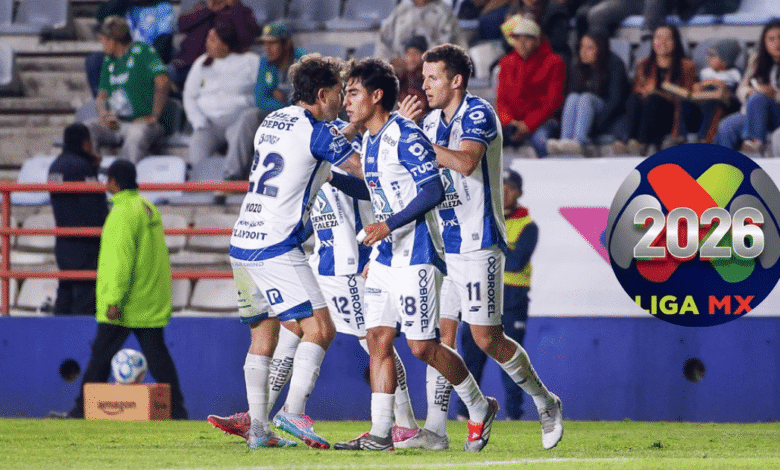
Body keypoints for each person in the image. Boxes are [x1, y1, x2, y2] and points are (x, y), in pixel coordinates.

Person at [398, 44, 563, 450]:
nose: (424, 85)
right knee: (434, 342)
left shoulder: (479, 113)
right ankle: (440, 427)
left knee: (487, 337)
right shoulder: (433, 122)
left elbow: (466, 162)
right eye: (423, 77)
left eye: (432, 77)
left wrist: (413, 142)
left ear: (456, 80)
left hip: (479, 241)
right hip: (443, 244)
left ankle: (546, 401)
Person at [329, 58, 496, 452]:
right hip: (386, 257)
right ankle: (380, 433)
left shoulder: (406, 135)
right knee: (378, 340)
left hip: (419, 254)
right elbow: (375, 193)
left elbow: (433, 191)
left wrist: (386, 225)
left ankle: (478, 405)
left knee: (422, 347)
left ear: (376, 95)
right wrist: (328, 177)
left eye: (353, 93)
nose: (347, 102)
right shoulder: (369, 140)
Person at [207, 172, 422, 447]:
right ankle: (257, 417)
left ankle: (405, 425)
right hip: (320, 263)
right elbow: (318, 216)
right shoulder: (316, 152)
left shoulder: (353, 155)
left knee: (377, 344)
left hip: (351, 266)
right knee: (292, 329)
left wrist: (330, 175)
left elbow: (374, 192)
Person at [227, 54, 362, 449]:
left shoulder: (273, 119)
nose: (342, 99)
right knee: (321, 329)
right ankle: (292, 411)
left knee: (263, 340)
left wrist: (348, 129)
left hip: (242, 240)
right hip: (276, 244)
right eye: (339, 92)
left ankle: (258, 430)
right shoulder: (316, 132)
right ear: (323, 94)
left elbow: (323, 141)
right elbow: (357, 167)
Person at [66, 159, 187, 420]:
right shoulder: (147, 208)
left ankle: (80, 409)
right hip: (149, 297)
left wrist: (113, 299)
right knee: (159, 359)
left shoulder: (121, 214)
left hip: (126, 302)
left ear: (113, 182)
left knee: (100, 357)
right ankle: (177, 409)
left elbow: (119, 262)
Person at [457, 170, 538, 421]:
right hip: (479, 293)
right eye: (500, 186)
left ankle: (514, 416)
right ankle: (465, 414)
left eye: (510, 187)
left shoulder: (527, 225)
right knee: (471, 358)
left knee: (511, 361)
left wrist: (485, 249)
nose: (504, 192)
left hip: (512, 298)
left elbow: (515, 263)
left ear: (519, 193)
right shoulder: (481, 218)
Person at [223, 22, 305, 181]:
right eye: (265, 44)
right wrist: (284, 103)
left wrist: (284, 100)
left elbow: (305, 102)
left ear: (286, 43)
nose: (267, 48)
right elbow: (260, 100)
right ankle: (232, 175)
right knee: (246, 118)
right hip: (275, 113)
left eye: (272, 43)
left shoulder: (303, 62)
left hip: (301, 118)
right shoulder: (264, 62)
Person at [84, 16, 172, 163]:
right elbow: (101, 96)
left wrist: (155, 116)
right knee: (84, 130)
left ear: (112, 40)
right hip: (116, 123)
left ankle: (130, 183)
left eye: (103, 40)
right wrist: (103, 114)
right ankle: (92, 173)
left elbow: (163, 81)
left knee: (134, 137)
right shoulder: (108, 60)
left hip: (141, 123)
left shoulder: (142, 50)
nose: (102, 43)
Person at [47, 123, 109, 315]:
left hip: (64, 243)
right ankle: (81, 343)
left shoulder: (55, 166)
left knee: (65, 293)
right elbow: (94, 208)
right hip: (85, 244)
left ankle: (58, 340)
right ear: (85, 143)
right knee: (85, 299)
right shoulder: (82, 167)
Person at [182, 21, 260, 168]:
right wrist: (198, 121)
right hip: (208, 123)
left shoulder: (251, 61)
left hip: (238, 121)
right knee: (197, 146)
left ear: (225, 45)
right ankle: (198, 185)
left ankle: (230, 180)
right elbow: (189, 95)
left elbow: (261, 91)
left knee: (238, 141)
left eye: (212, 40)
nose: (207, 43)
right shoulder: (201, 63)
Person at [613, 24, 696, 155]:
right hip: (645, 112)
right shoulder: (643, 64)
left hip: (669, 115)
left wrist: (660, 93)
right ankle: (629, 140)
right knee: (634, 98)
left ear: (676, 42)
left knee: (654, 98)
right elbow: (636, 89)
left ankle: (642, 143)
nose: (662, 42)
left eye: (668, 39)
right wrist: (644, 92)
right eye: (658, 38)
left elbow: (688, 98)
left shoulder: (686, 66)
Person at [546, 32, 629, 155]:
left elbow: (615, 101)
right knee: (573, 97)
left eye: (590, 48)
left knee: (586, 98)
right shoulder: (577, 65)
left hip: (607, 116)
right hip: (586, 113)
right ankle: (565, 140)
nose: (583, 52)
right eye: (582, 47)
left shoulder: (615, 64)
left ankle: (579, 141)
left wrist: (595, 125)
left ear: (600, 49)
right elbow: (573, 91)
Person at [496, 15, 565, 157]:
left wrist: (528, 124)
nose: (521, 43)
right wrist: (511, 123)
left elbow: (552, 102)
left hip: (544, 121)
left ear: (537, 40)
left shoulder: (554, 63)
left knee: (540, 140)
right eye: (517, 39)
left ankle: (552, 176)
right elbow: (501, 100)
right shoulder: (506, 63)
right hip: (513, 123)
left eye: (527, 38)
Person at [85, 0, 174, 97]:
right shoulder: (125, 6)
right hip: (120, 55)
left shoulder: (163, 8)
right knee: (94, 61)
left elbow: (164, 43)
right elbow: (101, 16)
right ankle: (103, 104)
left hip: (147, 58)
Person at [716, 20, 780, 153]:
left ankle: (754, 142)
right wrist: (750, 92)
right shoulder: (757, 60)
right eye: (771, 39)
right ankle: (726, 169)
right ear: (765, 43)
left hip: (776, 112)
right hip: (756, 113)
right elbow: (741, 90)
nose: (777, 43)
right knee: (726, 125)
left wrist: (773, 94)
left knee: (758, 99)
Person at [169, 0, 261, 91]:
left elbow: (247, 37)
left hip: (219, 67)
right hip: (185, 64)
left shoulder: (241, 11)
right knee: (161, 77)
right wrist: (209, 9)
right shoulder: (201, 6)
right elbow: (182, 25)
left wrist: (234, 7)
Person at [684, 38, 742, 144]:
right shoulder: (705, 72)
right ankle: (682, 135)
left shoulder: (734, 74)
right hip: (701, 102)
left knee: (713, 103)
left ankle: (703, 137)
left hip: (720, 103)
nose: (708, 57)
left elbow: (736, 96)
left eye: (713, 55)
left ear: (725, 60)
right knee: (685, 102)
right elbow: (696, 86)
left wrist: (723, 89)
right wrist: (697, 87)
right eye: (708, 54)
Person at [375, 0, 466, 64]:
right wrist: (391, 61)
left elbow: (447, 45)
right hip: (400, 68)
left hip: (432, 68)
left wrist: (421, 60)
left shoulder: (445, 13)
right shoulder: (400, 11)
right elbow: (383, 41)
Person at [397, 35, 431, 118]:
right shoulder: (401, 77)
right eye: (408, 54)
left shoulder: (430, 77)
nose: (411, 58)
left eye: (415, 54)